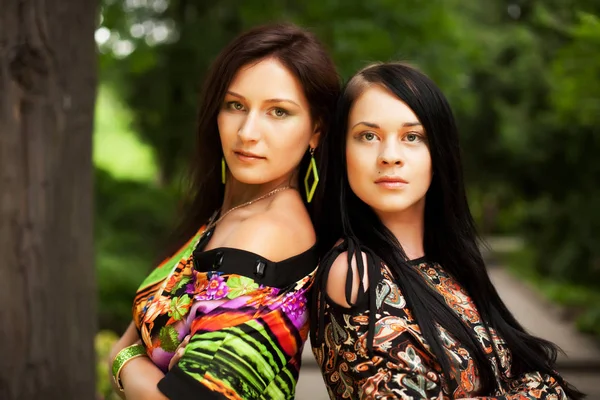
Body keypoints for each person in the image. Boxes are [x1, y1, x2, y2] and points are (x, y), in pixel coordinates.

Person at [310, 62, 584, 399]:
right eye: (368, 136)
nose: (390, 156)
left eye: (412, 136)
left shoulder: (449, 264)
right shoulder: (356, 272)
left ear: (438, 153)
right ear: (342, 151)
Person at [108, 23, 340, 400]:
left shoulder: (267, 233)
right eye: (236, 105)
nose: (248, 131)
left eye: (278, 112)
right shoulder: (229, 214)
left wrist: (121, 359)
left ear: (316, 130)